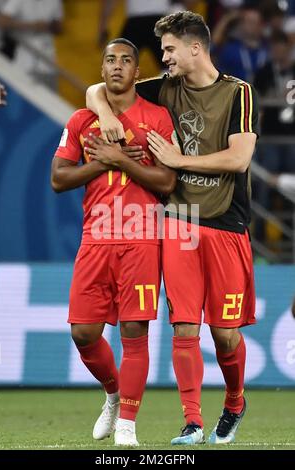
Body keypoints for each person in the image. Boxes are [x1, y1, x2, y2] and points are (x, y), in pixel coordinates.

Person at [86, 11, 259, 445]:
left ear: (194, 48)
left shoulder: (239, 94)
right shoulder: (166, 89)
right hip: (180, 221)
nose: (163, 56)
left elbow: (239, 158)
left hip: (227, 222)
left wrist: (181, 161)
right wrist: (105, 111)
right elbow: (96, 88)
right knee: (184, 326)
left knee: (224, 333)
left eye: (168, 49)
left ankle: (235, 401)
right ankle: (193, 422)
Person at [51, 38, 176, 446]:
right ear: (102, 70)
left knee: (134, 331)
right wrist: (101, 161)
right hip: (96, 238)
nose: (118, 66)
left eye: (126, 61)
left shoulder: (157, 117)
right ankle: (113, 393)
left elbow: (167, 182)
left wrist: (120, 159)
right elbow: (59, 179)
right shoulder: (82, 119)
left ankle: (127, 425)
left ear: (138, 73)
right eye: (110, 60)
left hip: (141, 239)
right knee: (83, 333)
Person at [0, 0, 63, 90]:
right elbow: (1, 21)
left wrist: (48, 26)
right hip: (24, 58)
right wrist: (32, 25)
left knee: (49, 98)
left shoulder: (55, 1)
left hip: (48, 59)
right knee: (20, 93)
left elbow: (59, 27)